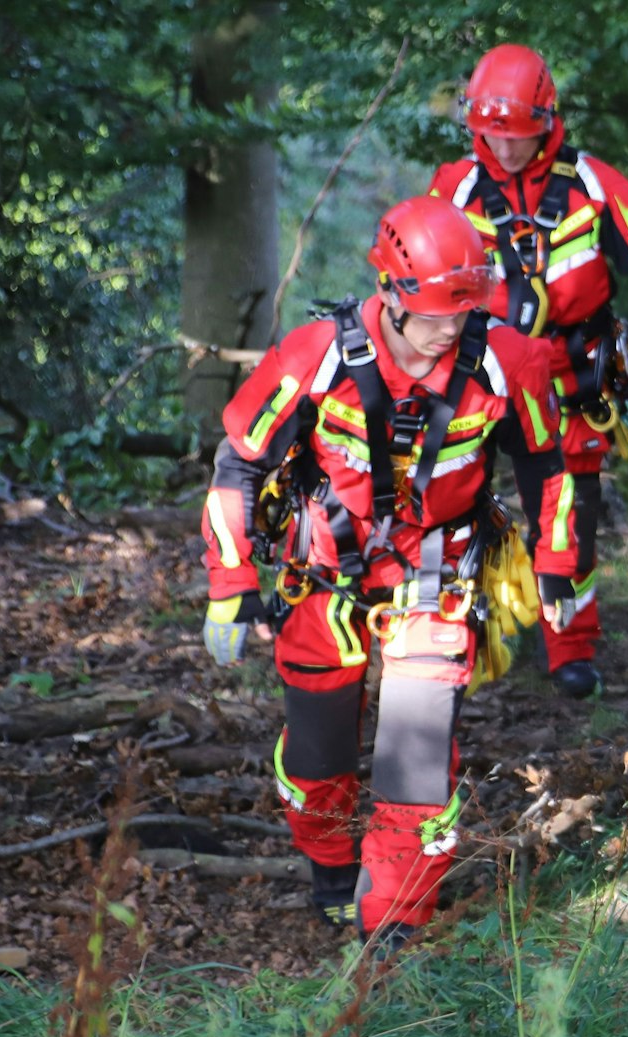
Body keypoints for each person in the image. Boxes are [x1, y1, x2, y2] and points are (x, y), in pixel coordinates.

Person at [201, 196, 576, 949]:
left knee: (415, 759)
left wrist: (557, 565)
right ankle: (333, 872)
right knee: (316, 761)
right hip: (323, 573)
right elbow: (238, 463)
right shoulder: (315, 356)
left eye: (464, 311)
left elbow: (546, 466)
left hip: (438, 571)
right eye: (436, 314)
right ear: (391, 293)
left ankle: (394, 917)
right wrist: (231, 584)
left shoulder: (508, 360)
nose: (450, 330)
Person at [429, 43, 628, 699]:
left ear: (547, 120)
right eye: (491, 134)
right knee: (455, 500)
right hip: (483, 373)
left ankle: (570, 644)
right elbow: (422, 275)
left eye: (517, 134)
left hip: (571, 376)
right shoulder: (455, 189)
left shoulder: (594, 185)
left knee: (571, 510)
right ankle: (451, 639)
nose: (505, 148)